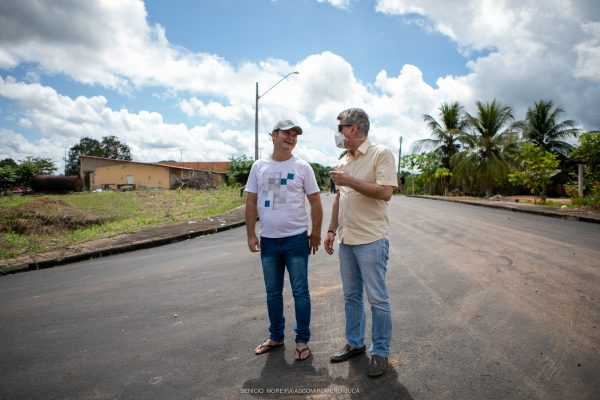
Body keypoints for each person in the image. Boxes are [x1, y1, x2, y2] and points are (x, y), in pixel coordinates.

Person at [324, 108, 398, 377]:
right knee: (351, 297)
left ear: (354, 128)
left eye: (341, 128)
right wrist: (332, 230)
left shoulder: (381, 154)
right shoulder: (344, 160)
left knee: (377, 299)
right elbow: (338, 198)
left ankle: (380, 352)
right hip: (347, 240)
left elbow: (386, 192)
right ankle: (355, 344)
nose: (339, 133)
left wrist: (351, 181)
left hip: (371, 239)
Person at [245, 119, 323, 362]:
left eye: (295, 135)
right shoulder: (259, 166)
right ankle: (276, 336)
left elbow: (316, 202)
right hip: (268, 241)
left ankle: (302, 341)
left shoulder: (302, 167)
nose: (291, 138)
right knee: (272, 293)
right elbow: (250, 201)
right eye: (286, 134)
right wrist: (250, 233)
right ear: (273, 135)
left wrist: (316, 233)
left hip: (296, 240)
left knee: (300, 292)